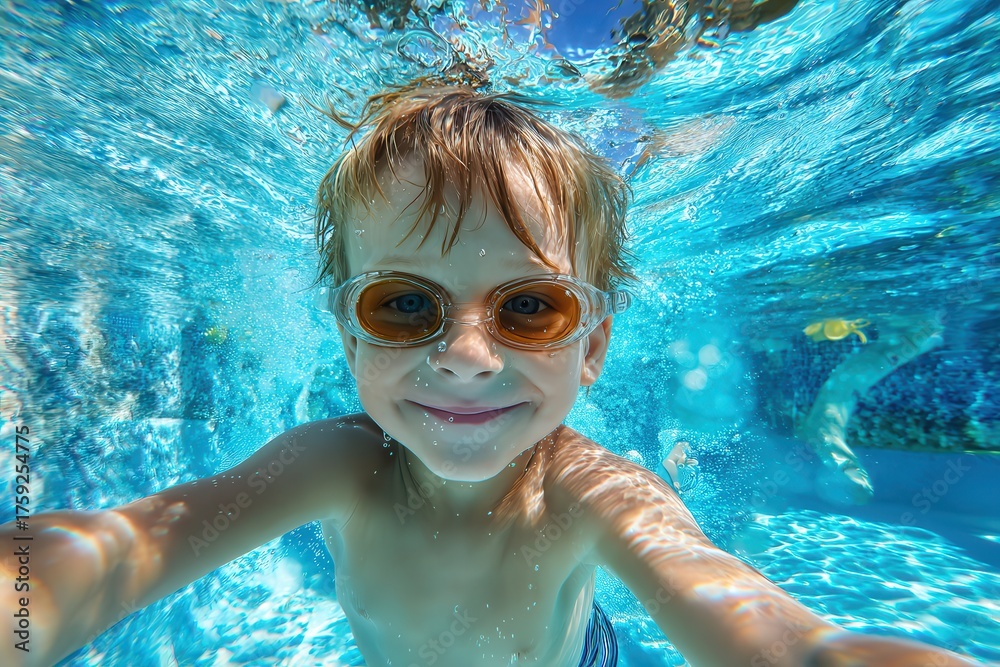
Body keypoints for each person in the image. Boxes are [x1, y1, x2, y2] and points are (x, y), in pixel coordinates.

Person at [1, 85, 979, 667]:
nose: (466, 355)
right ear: (348, 336)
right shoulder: (335, 465)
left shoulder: (595, 492)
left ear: (591, 346)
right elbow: (131, 547)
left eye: (528, 307)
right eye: (403, 305)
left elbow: (778, 638)